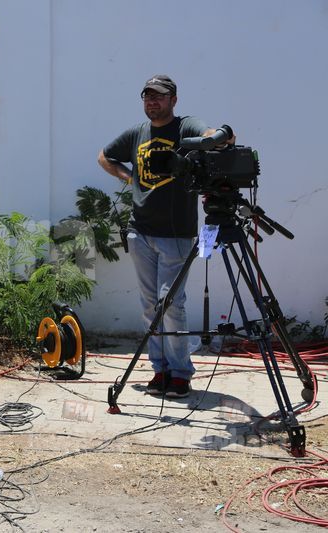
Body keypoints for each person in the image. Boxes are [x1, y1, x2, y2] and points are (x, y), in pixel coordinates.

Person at [97, 74, 233, 398]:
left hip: (175, 234)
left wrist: (218, 137)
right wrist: (129, 178)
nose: (152, 102)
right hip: (140, 232)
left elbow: (210, 134)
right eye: (147, 96)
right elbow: (104, 157)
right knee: (150, 305)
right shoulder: (136, 133)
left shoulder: (185, 127)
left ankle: (181, 373)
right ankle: (160, 370)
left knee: (170, 303)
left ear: (173, 99)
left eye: (158, 96)